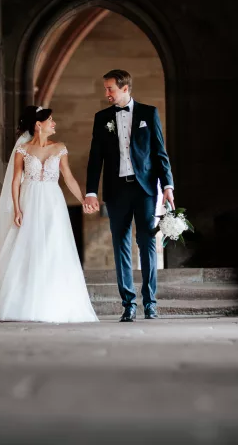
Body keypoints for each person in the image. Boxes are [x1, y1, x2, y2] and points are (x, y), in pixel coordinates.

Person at [0, 106, 99, 323]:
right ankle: (19, 304)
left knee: (53, 247)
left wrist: (83, 199)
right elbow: (16, 180)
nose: (54, 123)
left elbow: (68, 177)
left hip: (53, 202)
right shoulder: (22, 150)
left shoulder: (60, 147)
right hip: (29, 199)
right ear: (38, 124)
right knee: (26, 246)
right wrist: (17, 208)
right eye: (50, 120)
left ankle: (53, 304)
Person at [84, 69, 175, 322]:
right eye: (105, 89)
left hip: (145, 189)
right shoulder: (102, 118)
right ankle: (129, 304)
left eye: (110, 88)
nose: (106, 93)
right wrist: (91, 191)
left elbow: (160, 153)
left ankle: (151, 302)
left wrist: (168, 186)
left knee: (147, 244)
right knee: (120, 245)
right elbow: (95, 158)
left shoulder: (149, 113)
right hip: (116, 190)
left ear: (125, 88)